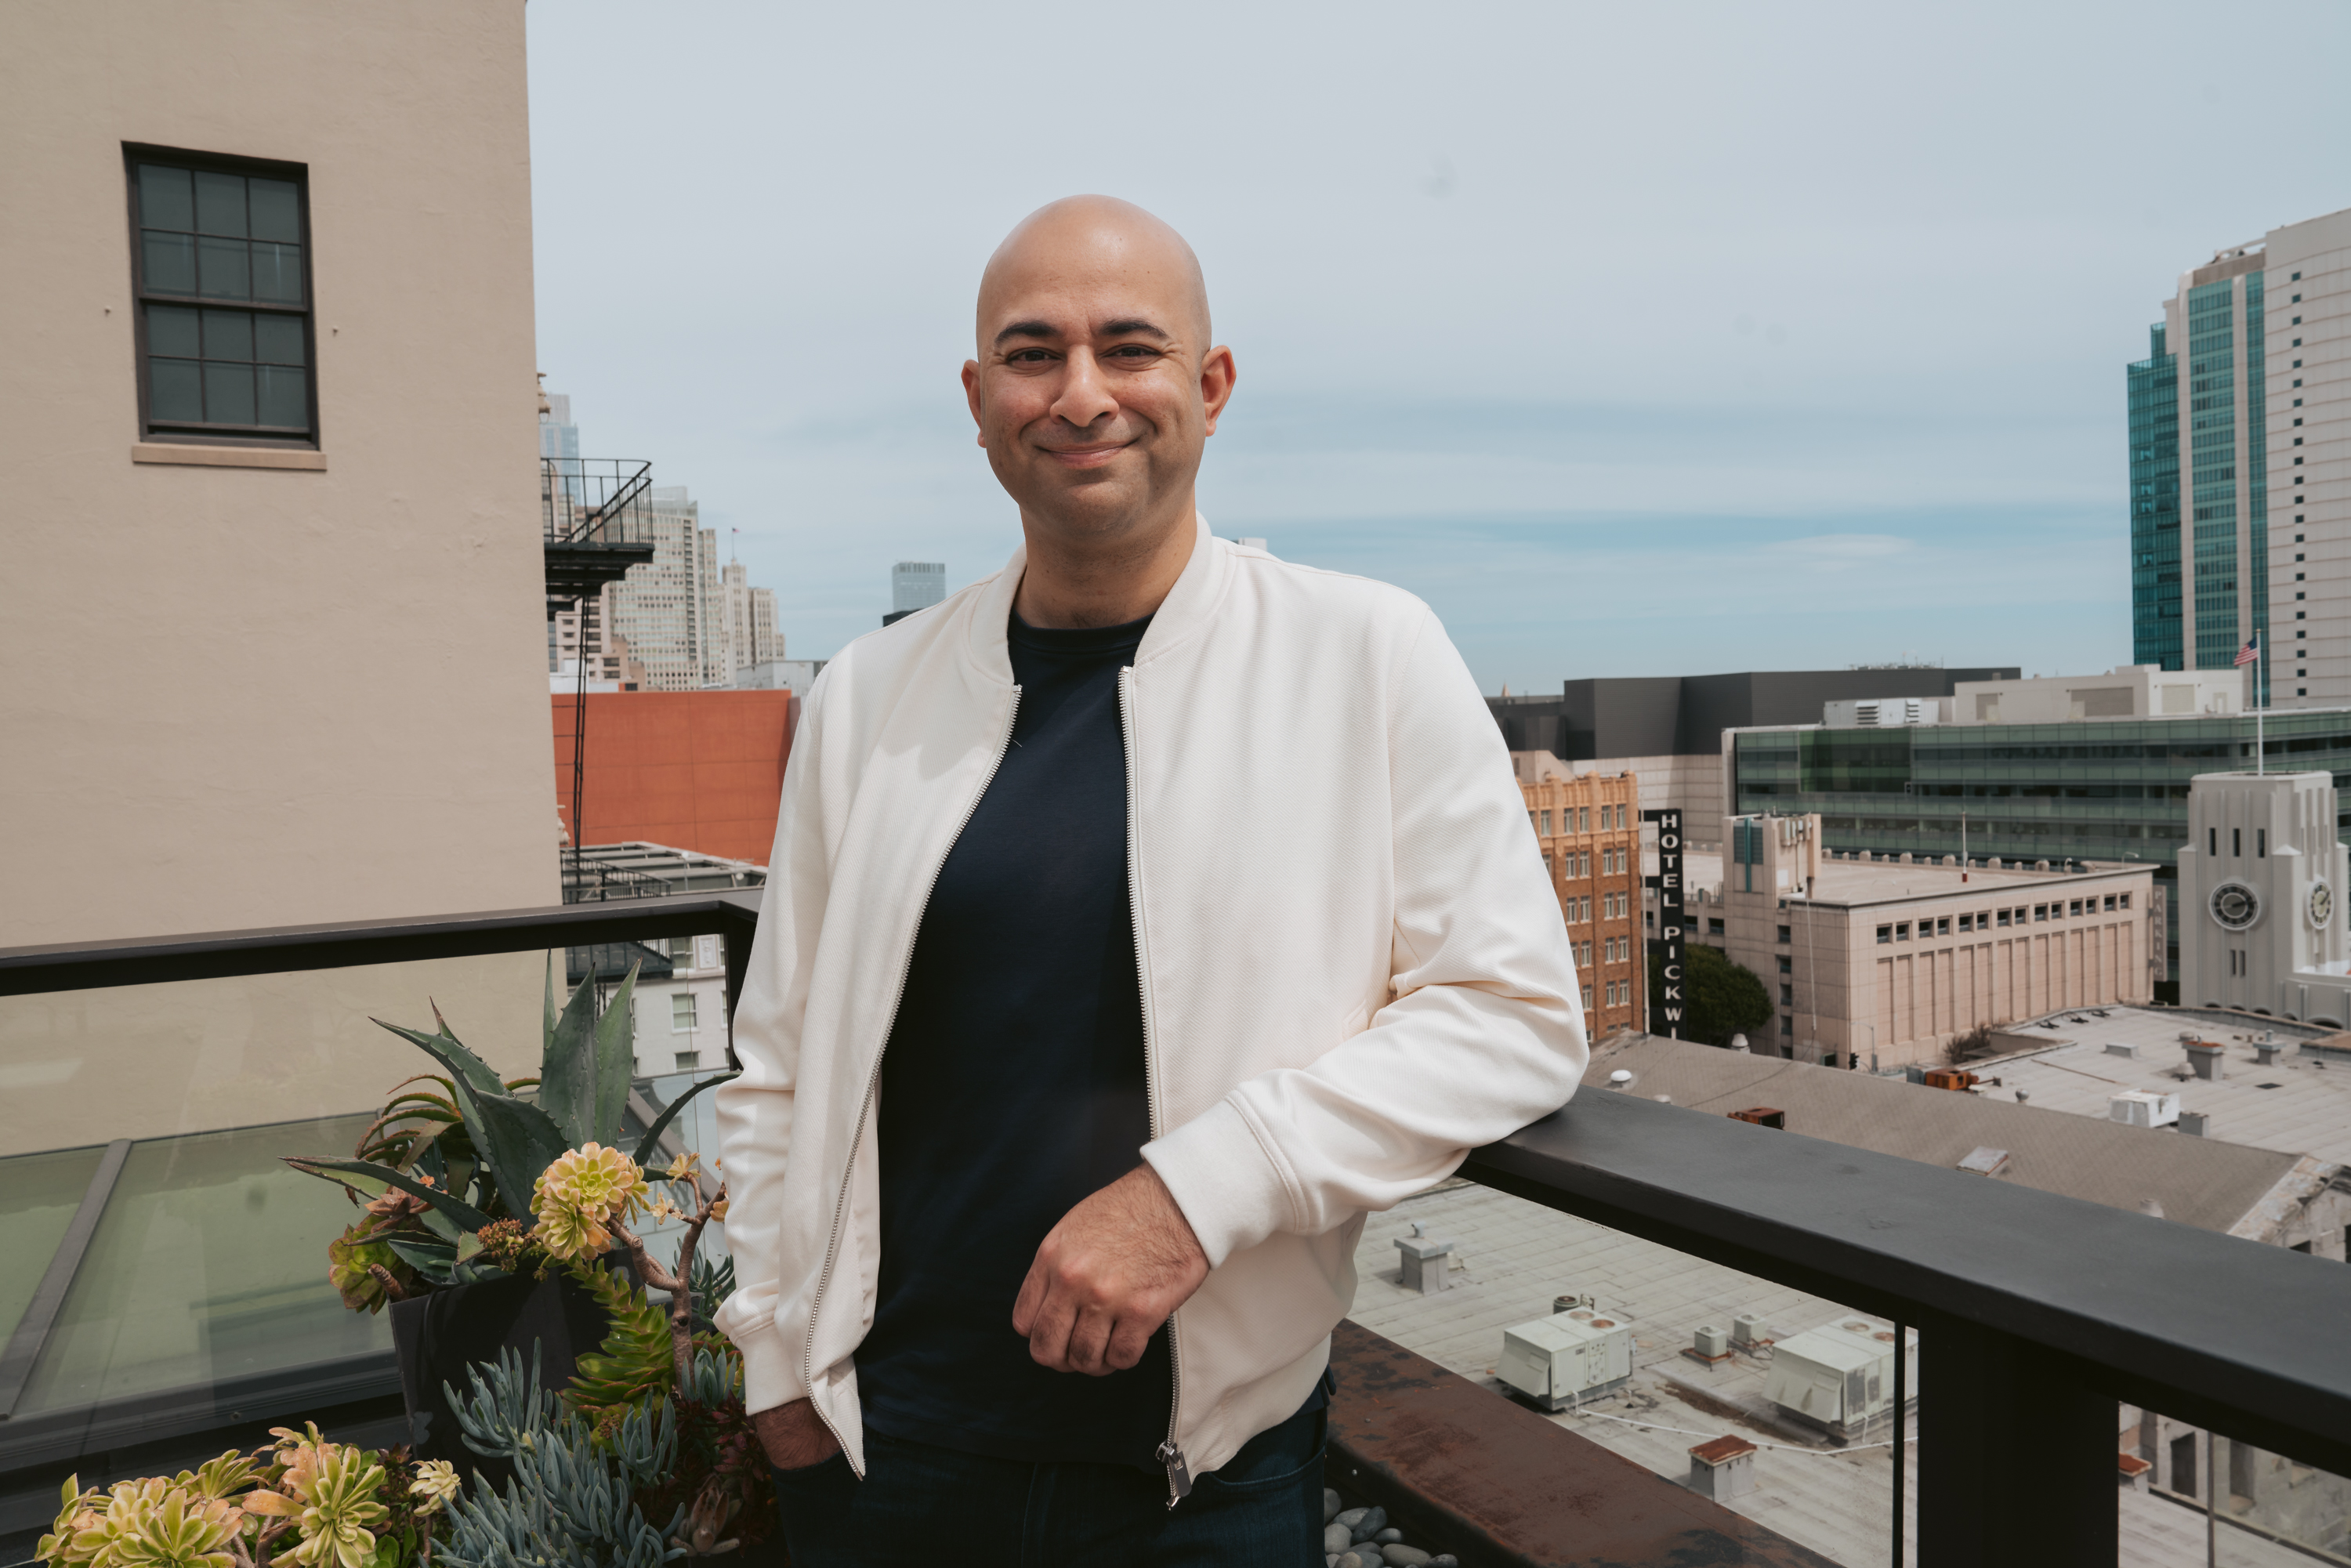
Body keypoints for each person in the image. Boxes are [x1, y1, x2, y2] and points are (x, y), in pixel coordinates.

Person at [713, 195, 1585, 1565]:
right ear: (977, 398)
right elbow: (776, 1060)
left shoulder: (1364, 654)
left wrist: (1200, 1186)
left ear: (1210, 384)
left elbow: (1514, 1011)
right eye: (1031, 353)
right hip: (886, 1458)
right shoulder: (867, 696)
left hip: (1204, 1486)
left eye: (1129, 347)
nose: (1081, 395)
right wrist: (772, 1365)